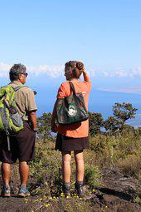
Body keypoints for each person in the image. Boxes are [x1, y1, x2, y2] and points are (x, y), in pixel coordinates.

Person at [51, 61, 91, 197]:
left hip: (66, 128)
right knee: (79, 158)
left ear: (70, 72)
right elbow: (88, 80)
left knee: (66, 159)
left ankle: (66, 189)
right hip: (82, 128)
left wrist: (53, 122)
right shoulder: (85, 86)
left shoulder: (64, 85)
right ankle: (79, 189)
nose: (64, 73)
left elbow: (58, 106)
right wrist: (84, 71)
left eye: (65, 70)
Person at [0, 63, 37, 197]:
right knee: (24, 159)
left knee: (6, 159)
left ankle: (6, 188)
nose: (26, 77)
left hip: (6, 128)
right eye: (25, 74)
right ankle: (23, 188)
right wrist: (34, 128)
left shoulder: (3, 90)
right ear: (20, 76)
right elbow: (32, 113)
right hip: (23, 127)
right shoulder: (27, 91)